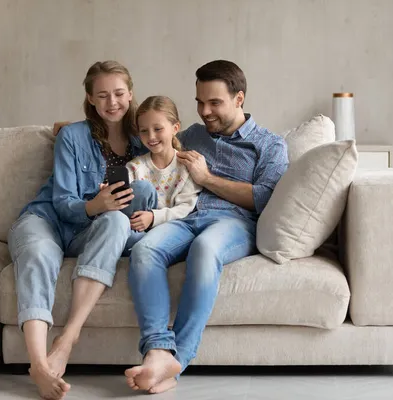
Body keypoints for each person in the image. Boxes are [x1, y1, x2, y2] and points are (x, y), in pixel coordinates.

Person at [124, 60, 289, 394]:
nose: (205, 110)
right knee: (144, 250)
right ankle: (157, 350)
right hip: (186, 218)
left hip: (233, 224)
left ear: (239, 99)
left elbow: (264, 199)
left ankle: (178, 357)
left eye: (215, 103)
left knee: (205, 249)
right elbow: (153, 136)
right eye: (200, 102)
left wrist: (206, 178)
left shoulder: (269, 145)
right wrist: (83, 130)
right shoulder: (194, 135)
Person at [8, 60, 156, 400]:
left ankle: (68, 338)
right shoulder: (73, 136)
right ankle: (39, 366)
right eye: (102, 95)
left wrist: (119, 212)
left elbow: (172, 136)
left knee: (118, 220)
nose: (112, 102)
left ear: (131, 94)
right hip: (47, 220)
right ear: (90, 99)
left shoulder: (143, 141)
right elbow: (62, 202)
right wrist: (96, 205)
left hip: (89, 233)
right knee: (38, 253)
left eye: (119, 93)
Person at [126, 95, 202, 233]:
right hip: (136, 232)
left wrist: (154, 217)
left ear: (175, 128)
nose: (151, 137)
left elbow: (185, 208)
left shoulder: (187, 166)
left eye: (158, 129)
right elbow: (125, 204)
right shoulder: (134, 167)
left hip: (171, 232)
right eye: (144, 131)